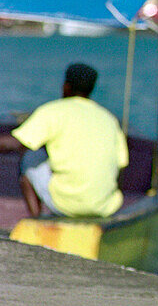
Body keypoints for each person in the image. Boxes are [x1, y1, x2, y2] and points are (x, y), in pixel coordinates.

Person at [0, 63, 128, 218]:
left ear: (66, 87)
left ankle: (36, 219)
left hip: (66, 205)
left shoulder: (53, 111)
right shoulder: (109, 119)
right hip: (105, 207)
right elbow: (121, 164)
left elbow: (16, 143)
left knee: (30, 157)